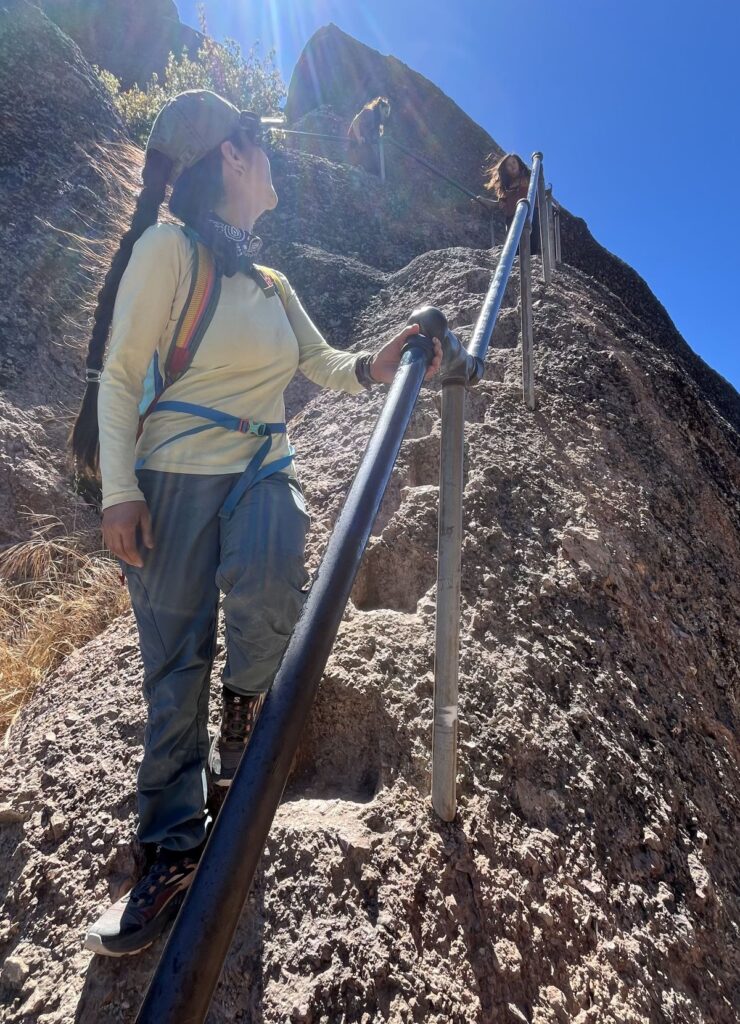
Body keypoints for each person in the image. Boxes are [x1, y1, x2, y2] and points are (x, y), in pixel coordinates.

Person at [71, 88, 441, 956]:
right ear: (231, 158)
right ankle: (171, 848)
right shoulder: (166, 249)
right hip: (167, 480)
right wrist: (118, 490)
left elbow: (323, 363)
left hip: (260, 464)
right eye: (261, 147)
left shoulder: (272, 282)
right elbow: (123, 376)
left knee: (276, 564)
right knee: (173, 672)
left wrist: (378, 362)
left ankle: (246, 706)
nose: (275, 160)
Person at [478, 152, 540, 256]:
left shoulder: (529, 178)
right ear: (505, 170)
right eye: (508, 165)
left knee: (531, 245)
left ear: (519, 163)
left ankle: (527, 267)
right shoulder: (506, 187)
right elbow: (500, 204)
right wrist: (484, 200)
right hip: (512, 216)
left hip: (530, 213)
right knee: (514, 247)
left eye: (514, 162)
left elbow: (537, 190)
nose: (512, 166)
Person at [346, 96, 391, 176]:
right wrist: (358, 137)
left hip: (364, 145)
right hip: (355, 143)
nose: (387, 115)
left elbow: (377, 135)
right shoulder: (369, 112)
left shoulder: (377, 122)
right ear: (380, 107)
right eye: (386, 112)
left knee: (375, 166)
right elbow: (355, 122)